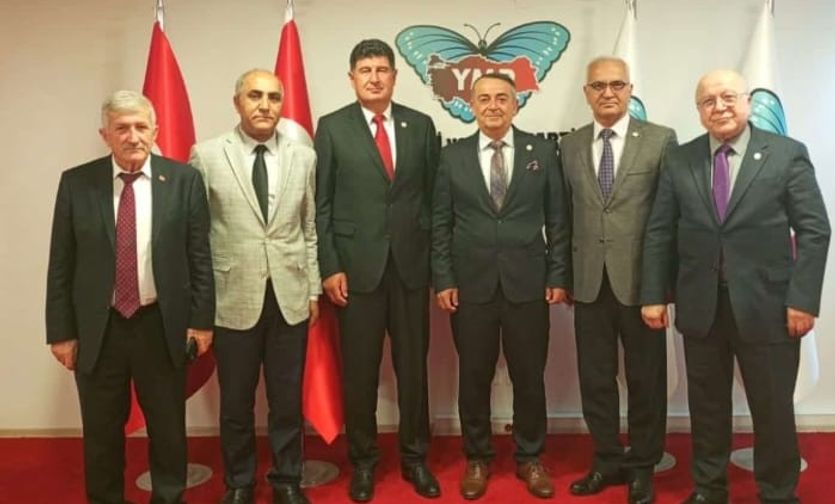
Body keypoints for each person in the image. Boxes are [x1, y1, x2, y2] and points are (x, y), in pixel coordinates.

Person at [640, 69, 830, 504]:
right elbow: (660, 231)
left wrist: (803, 300)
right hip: (700, 304)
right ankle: (709, 488)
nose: (719, 107)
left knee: (772, 407)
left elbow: (814, 230)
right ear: (699, 110)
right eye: (708, 101)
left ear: (747, 101)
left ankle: (778, 492)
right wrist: (653, 294)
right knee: (707, 408)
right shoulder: (680, 159)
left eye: (728, 97)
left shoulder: (786, 154)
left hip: (770, 306)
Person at [46, 90, 215, 504]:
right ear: (105, 135)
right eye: (122, 128)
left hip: (161, 325)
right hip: (99, 329)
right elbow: (61, 262)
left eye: (141, 126)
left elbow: (200, 257)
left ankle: (168, 497)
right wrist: (61, 332)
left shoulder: (184, 181)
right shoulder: (77, 183)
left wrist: (201, 322)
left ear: (156, 131)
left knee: (168, 429)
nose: (133, 136)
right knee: (101, 432)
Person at [432, 73, 569, 500]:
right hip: (471, 286)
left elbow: (558, 219)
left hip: (528, 284)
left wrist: (558, 274)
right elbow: (440, 222)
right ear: (471, 105)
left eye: (502, 98)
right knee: (474, 377)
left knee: (529, 376)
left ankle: (530, 456)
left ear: (516, 104)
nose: (493, 105)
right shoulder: (451, 157)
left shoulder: (542, 152)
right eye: (484, 98)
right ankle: (477, 457)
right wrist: (444, 278)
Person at [314, 39, 440, 502]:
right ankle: (364, 462)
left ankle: (415, 458)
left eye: (382, 69)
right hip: (355, 272)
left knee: (414, 371)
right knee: (360, 374)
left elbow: (434, 199)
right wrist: (330, 266)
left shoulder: (420, 125)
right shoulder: (332, 127)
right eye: (365, 70)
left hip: (410, 269)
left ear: (394, 76)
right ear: (352, 78)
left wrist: (434, 264)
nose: (374, 78)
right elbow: (322, 205)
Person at [189, 69, 320, 504]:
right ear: (237, 102)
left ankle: (287, 481)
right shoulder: (207, 155)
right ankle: (240, 483)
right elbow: (196, 235)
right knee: (236, 403)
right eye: (255, 95)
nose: (265, 105)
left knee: (286, 401)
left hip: (290, 297)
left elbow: (309, 228)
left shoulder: (304, 157)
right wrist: (200, 303)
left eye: (274, 97)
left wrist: (313, 289)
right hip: (232, 297)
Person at [560, 56, 676, 504]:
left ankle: (643, 465)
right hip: (589, 283)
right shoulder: (570, 145)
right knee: (596, 379)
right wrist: (564, 277)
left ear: (629, 89)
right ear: (586, 93)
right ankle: (607, 459)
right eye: (598, 86)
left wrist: (660, 289)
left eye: (616, 85)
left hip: (641, 287)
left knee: (646, 379)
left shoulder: (660, 140)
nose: (607, 93)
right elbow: (564, 216)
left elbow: (669, 219)